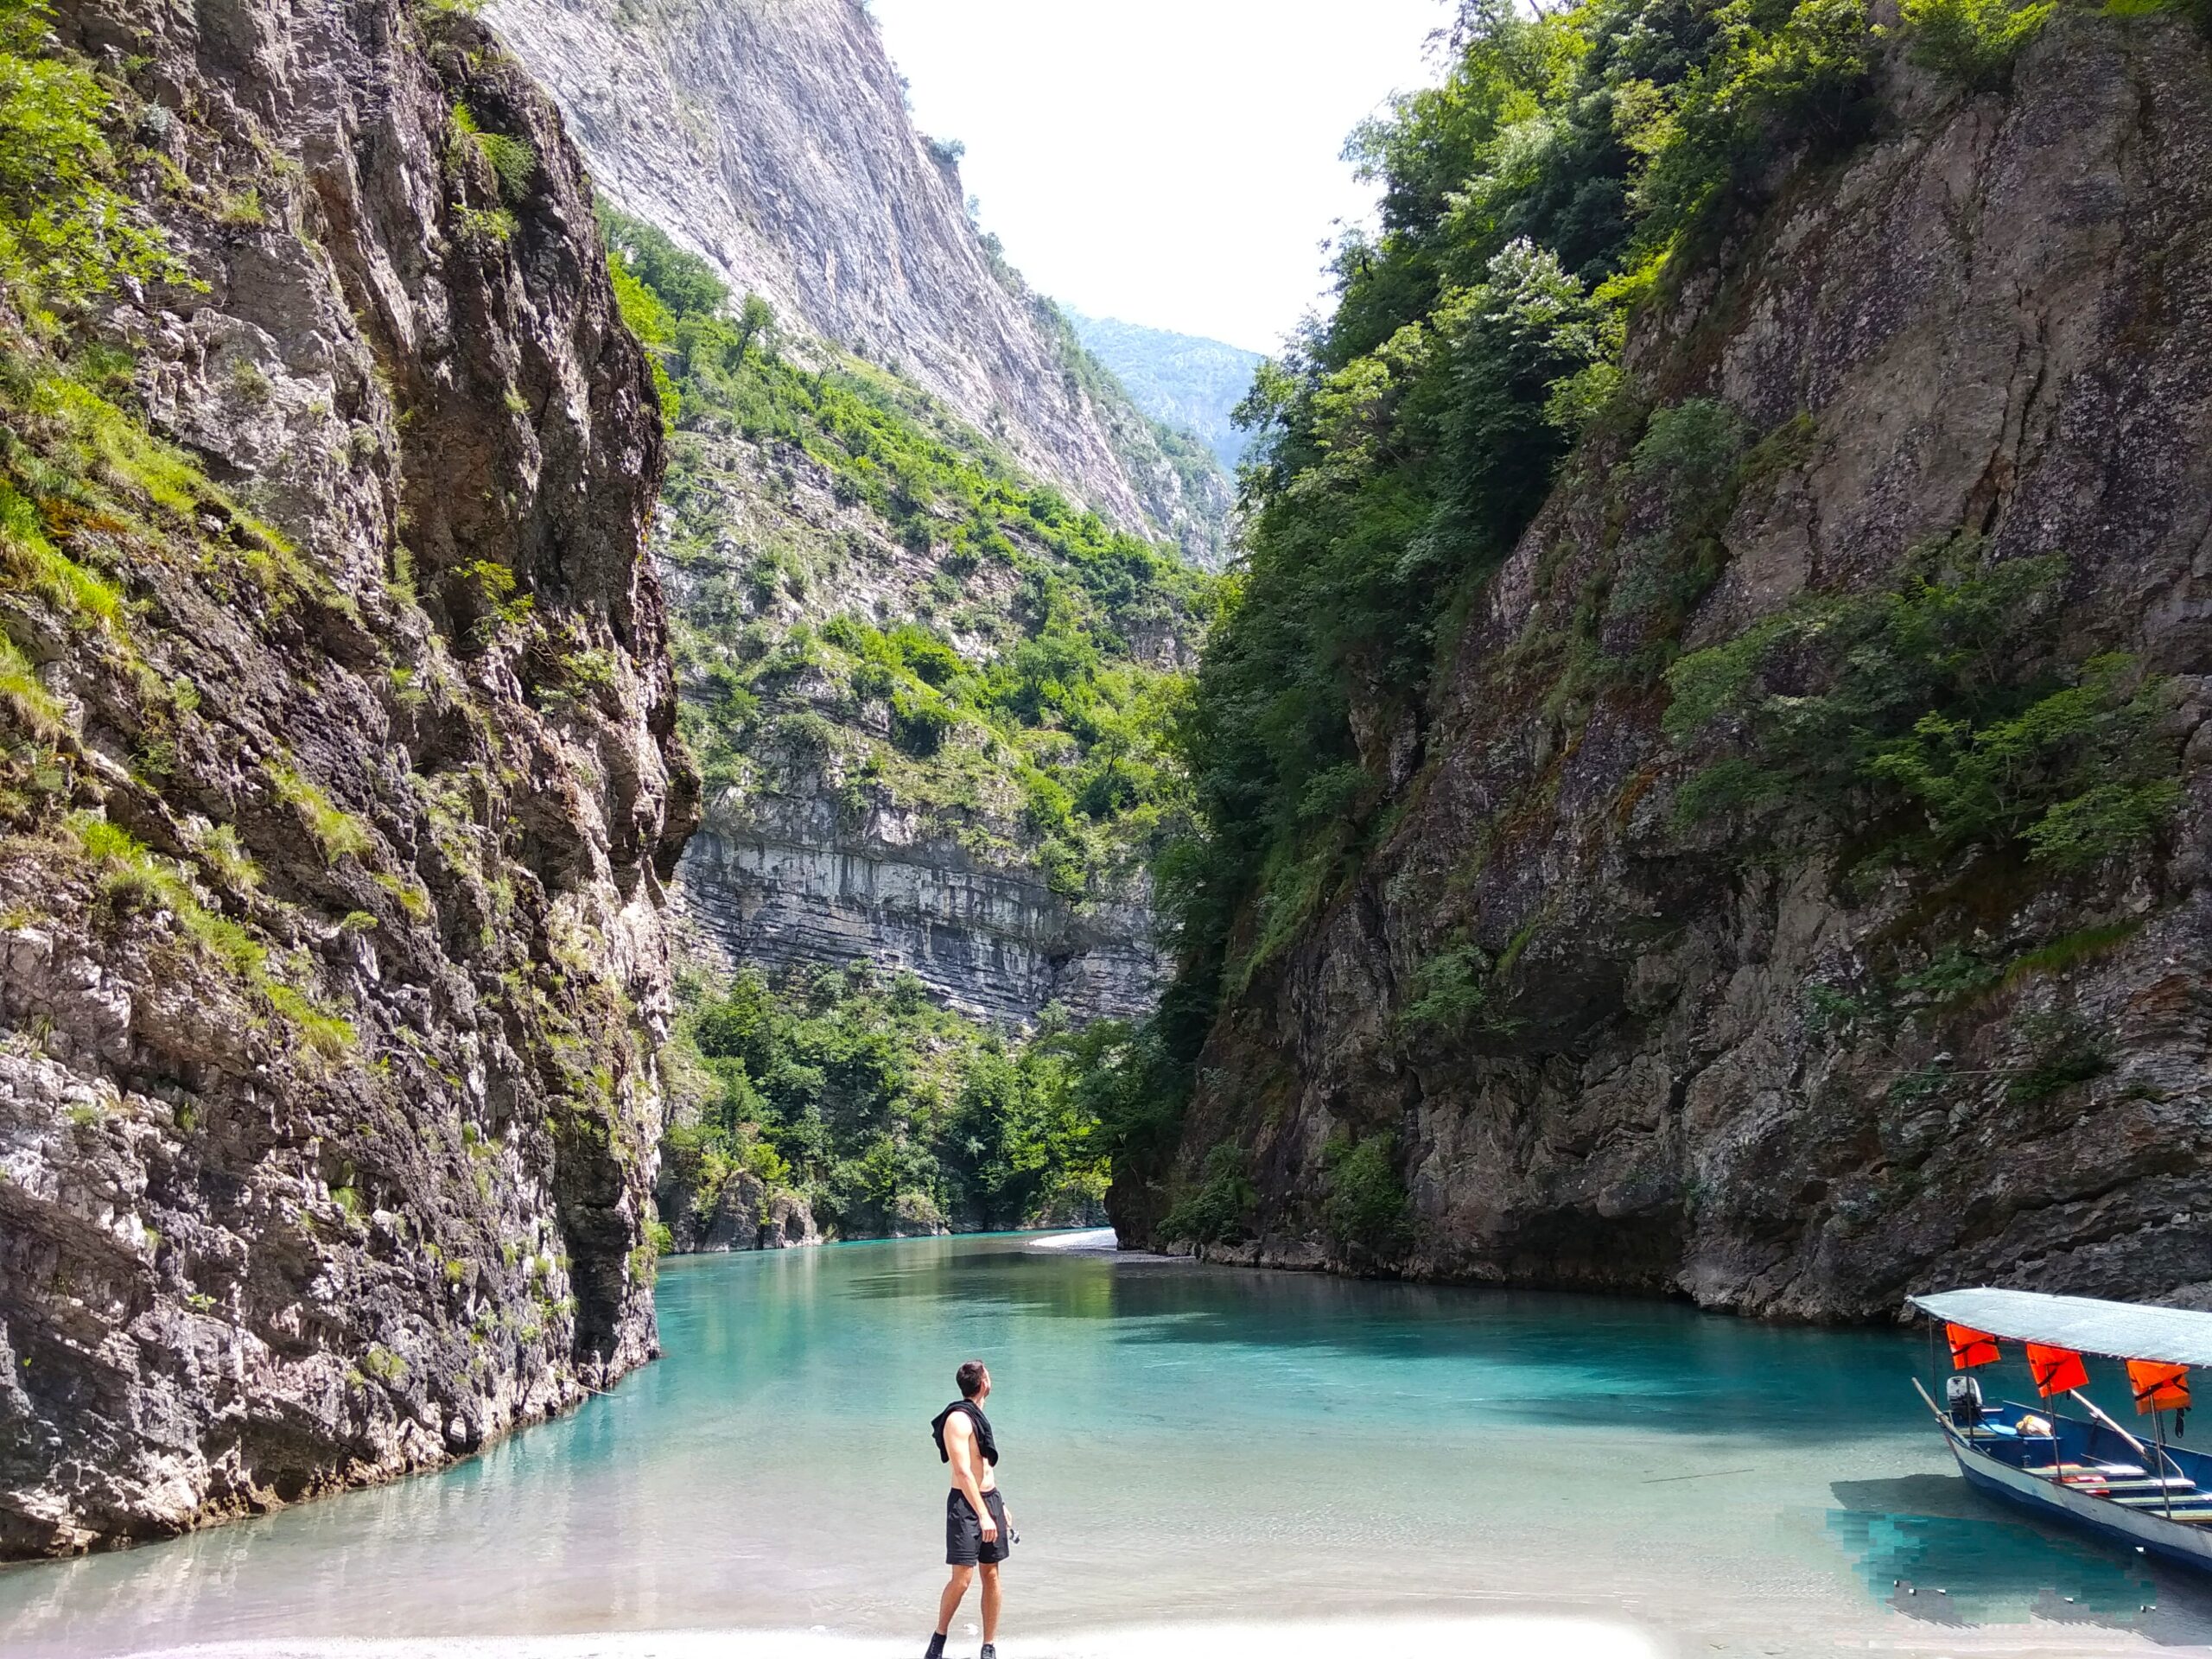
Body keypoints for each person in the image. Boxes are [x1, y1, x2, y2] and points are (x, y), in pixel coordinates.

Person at [925, 1360, 1014, 1659]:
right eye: (989, 1374)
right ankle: (939, 1638)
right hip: (966, 1505)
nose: (991, 1378)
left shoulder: (981, 1417)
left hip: (990, 1500)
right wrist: (984, 1515)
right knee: (963, 1578)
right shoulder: (958, 1421)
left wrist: (1000, 1506)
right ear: (983, 1382)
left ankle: (988, 1646)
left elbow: (984, 1467)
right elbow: (963, 1473)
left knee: (992, 1575)